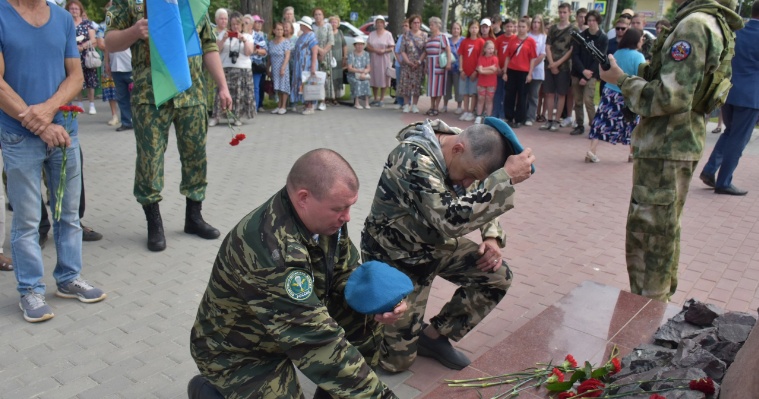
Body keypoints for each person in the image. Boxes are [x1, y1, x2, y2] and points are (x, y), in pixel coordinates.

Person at [189, 149, 403, 399]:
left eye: (349, 207)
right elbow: (315, 339)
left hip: (290, 325)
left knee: (365, 314)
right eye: (339, 209)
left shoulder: (324, 220)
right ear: (303, 198)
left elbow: (345, 271)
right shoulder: (272, 251)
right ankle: (206, 391)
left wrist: (383, 300)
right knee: (325, 352)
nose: (347, 217)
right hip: (240, 350)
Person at [361, 118, 535, 372]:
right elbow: (449, 220)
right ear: (457, 149)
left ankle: (433, 337)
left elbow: (479, 187)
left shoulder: (461, 149)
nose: (466, 184)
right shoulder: (413, 157)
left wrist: (491, 235)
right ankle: (368, 323)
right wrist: (505, 180)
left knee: (496, 276)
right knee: (395, 363)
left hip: (434, 246)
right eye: (468, 176)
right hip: (397, 258)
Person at [599, 0, 742, 301]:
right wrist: (644, 70)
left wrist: (621, 81)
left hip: (665, 144)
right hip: (679, 142)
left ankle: (646, 317)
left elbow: (670, 97)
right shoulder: (714, 22)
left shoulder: (693, 25)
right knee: (664, 233)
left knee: (649, 239)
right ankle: (656, 307)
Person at [1, 0, 107, 323]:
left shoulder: (61, 18)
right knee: (28, 219)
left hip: (65, 132)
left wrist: (49, 110)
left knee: (68, 213)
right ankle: (30, 289)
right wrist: (42, 123)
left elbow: (75, 76)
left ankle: (69, 277)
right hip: (20, 136)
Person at [106, 0, 232, 252]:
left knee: (196, 155)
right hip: (150, 95)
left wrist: (222, 85)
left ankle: (194, 217)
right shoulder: (130, 1)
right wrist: (134, 31)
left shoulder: (192, 3)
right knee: (149, 159)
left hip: (192, 93)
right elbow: (109, 41)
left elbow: (208, 45)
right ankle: (154, 222)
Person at [699, 1, 759, 196]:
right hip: (751, 96)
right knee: (739, 139)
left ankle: (710, 169)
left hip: (728, 91)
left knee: (729, 132)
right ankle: (724, 181)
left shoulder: (737, 31)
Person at [586, 28, 645, 163]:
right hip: (627, 93)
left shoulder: (617, 53)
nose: (642, 41)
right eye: (641, 38)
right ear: (636, 40)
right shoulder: (638, 56)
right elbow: (640, 75)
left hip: (610, 91)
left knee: (601, 120)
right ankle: (632, 153)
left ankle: (592, 150)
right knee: (632, 123)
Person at [210, 11, 254, 127]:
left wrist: (243, 40)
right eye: (233, 24)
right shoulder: (223, 34)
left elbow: (249, 52)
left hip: (242, 69)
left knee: (239, 94)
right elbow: (215, 51)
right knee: (221, 93)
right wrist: (223, 39)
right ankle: (216, 117)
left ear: (242, 25)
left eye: (238, 24)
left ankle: (237, 117)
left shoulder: (248, 36)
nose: (235, 27)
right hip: (225, 68)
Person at [570, 10, 607, 136]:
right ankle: (579, 125)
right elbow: (575, 55)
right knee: (578, 101)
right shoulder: (581, 36)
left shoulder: (602, 38)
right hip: (578, 72)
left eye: (593, 20)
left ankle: (594, 126)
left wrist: (588, 74)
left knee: (588, 100)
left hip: (592, 74)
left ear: (598, 22)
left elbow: (599, 58)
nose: (591, 23)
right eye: (589, 20)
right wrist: (582, 72)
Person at [540, 3, 575, 132]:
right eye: (560, 12)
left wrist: (557, 63)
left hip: (564, 66)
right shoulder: (553, 28)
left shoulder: (573, 29)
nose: (562, 15)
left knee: (561, 94)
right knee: (548, 93)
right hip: (550, 64)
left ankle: (556, 120)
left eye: (564, 12)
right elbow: (548, 46)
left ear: (569, 13)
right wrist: (551, 62)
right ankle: (549, 119)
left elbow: (571, 50)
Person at [501, 18, 538, 128]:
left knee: (522, 96)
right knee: (509, 95)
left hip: (523, 72)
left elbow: (532, 59)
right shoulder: (512, 39)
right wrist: (505, 71)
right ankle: (509, 117)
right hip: (512, 71)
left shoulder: (530, 41)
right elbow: (508, 56)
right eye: (519, 26)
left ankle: (519, 119)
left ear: (527, 28)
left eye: (523, 26)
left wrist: (530, 74)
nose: (521, 29)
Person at [66, 0, 98, 115]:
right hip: (72, 56)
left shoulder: (87, 23)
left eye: (76, 9)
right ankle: (79, 104)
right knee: (76, 79)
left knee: (90, 80)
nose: (74, 11)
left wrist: (83, 46)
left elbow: (94, 39)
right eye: (72, 9)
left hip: (86, 55)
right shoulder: (67, 23)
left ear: (80, 10)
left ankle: (92, 104)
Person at [398, 14, 427, 114]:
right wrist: (408, 62)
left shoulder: (424, 35)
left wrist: (419, 62)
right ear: (410, 24)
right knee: (406, 84)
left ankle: (414, 105)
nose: (416, 24)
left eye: (418, 22)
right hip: (407, 64)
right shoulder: (406, 35)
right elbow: (402, 50)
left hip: (418, 65)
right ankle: (406, 105)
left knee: (417, 85)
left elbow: (425, 51)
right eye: (414, 22)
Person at [425, 17, 451, 116]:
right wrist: (426, 65)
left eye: (432, 25)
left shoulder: (442, 37)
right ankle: (431, 106)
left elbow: (448, 50)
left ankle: (436, 107)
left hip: (439, 64)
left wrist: (448, 63)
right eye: (430, 24)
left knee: (439, 86)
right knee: (431, 87)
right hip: (430, 64)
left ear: (437, 25)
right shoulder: (429, 38)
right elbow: (427, 53)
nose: (430, 27)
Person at [457, 20, 483, 122]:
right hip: (464, 72)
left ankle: (471, 112)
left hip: (474, 73)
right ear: (469, 29)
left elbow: (481, 58)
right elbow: (461, 56)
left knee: (473, 93)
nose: (474, 30)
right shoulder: (465, 41)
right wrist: (461, 69)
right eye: (472, 27)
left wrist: (476, 71)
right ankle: (466, 111)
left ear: (478, 29)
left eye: (476, 28)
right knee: (465, 93)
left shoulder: (481, 42)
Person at [366, 16, 394, 107]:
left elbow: (391, 47)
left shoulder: (388, 34)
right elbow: (368, 46)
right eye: (378, 22)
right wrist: (375, 50)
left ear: (384, 24)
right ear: (375, 24)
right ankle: (375, 98)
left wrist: (384, 50)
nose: (379, 24)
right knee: (374, 77)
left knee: (383, 77)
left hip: (384, 58)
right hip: (374, 58)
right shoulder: (372, 34)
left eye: (381, 22)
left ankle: (382, 98)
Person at [526, 14, 547, 126]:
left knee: (534, 95)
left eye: (538, 22)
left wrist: (532, 65)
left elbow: (543, 54)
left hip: (537, 69)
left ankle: (531, 116)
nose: (536, 25)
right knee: (524, 94)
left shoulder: (543, 37)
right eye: (534, 22)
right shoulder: (527, 35)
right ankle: (522, 114)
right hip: (525, 69)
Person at [493, 18, 515, 119]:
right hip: (499, 70)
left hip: (509, 70)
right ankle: (495, 112)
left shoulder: (515, 39)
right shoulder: (499, 39)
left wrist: (505, 69)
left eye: (511, 26)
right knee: (498, 92)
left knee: (506, 93)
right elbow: (495, 53)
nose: (509, 28)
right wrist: (498, 67)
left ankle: (503, 113)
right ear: (504, 27)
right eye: (507, 26)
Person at [268, 21, 292, 115]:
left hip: (283, 66)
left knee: (283, 87)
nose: (279, 31)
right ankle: (278, 105)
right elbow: (269, 57)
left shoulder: (286, 42)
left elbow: (287, 55)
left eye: (281, 29)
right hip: (274, 67)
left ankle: (283, 106)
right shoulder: (271, 42)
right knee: (277, 87)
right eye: (277, 29)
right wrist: (267, 68)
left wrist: (283, 67)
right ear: (274, 30)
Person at [312, 8, 333, 112]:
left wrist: (323, 52)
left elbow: (331, 41)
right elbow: (311, 41)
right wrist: (319, 51)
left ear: (323, 15)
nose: (318, 16)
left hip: (326, 55)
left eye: (320, 14)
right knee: (315, 78)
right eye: (316, 14)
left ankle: (323, 101)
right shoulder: (312, 27)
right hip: (314, 55)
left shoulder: (328, 26)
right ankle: (314, 100)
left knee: (325, 78)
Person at [474, 41, 499, 124]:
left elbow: (493, 71)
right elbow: (480, 71)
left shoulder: (495, 58)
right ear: (484, 49)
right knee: (481, 99)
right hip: (482, 82)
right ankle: (479, 115)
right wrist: (489, 68)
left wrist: (483, 69)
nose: (491, 50)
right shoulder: (481, 58)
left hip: (491, 82)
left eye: (492, 48)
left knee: (489, 99)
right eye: (489, 48)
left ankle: (488, 117)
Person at [250, 15, 269, 113]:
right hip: (244, 64)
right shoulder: (242, 34)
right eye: (257, 22)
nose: (259, 24)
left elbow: (265, 51)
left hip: (257, 64)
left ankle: (256, 107)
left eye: (260, 22)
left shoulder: (261, 36)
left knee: (257, 87)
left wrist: (256, 51)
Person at [444, 22, 464, 114]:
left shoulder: (463, 40)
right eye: (454, 28)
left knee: (458, 87)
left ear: (460, 30)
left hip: (459, 68)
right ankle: (445, 105)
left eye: (457, 29)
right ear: (451, 30)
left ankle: (459, 106)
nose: (456, 30)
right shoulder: (447, 40)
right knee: (446, 87)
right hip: (448, 67)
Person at [347, 37, 371, 109]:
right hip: (353, 74)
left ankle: (367, 102)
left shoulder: (366, 54)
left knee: (366, 82)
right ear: (355, 45)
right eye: (358, 44)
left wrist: (364, 73)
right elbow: (350, 68)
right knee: (357, 82)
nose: (360, 46)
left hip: (363, 73)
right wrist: (359, 71)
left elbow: (368, 67)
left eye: (361, 45)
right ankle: (357, 102)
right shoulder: (351, 54)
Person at [392, 19, 410, 110]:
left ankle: (408, 102)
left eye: (406, 26)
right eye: (403, 26)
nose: (404, 28)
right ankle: (399, 101)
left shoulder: (412, 37)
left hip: (409, 65)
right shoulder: (401, 37)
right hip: (400, 64)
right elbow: (396, 50)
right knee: (400, 83)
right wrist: (399, 61)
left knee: (408, 83)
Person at [328, 15, 346, 104]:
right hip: (329, 57)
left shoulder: (340, 32)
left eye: (335, 22)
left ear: (338, 24)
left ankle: (336, 97)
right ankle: (329, 96)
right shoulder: (328, 32)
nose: (333, 24)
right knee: (330, 76)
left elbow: (344, 45)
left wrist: (344, 56)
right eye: (332, 22)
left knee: (337, 77)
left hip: (338, 57)